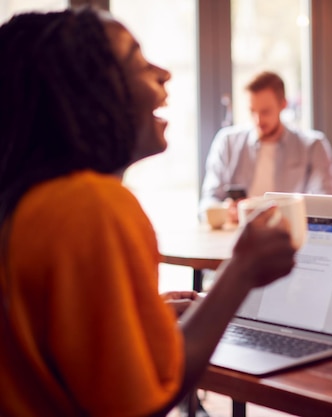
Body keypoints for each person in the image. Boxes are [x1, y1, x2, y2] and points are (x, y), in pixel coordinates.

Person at [0, 7, 296, 416]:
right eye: (137, 62)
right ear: (90, 90)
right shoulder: (94, 207)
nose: (164, 74)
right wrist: (241, 271)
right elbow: (140, 406)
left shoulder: (31, 202)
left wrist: (142, 315)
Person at [198, 71, 332, 222]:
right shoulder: (227, 142)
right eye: (252, 111)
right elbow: (207, 203)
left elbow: (325, 207)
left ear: (283, 104)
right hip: (236, 235)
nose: (258, 120)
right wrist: (226, 212)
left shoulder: (312, 146)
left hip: (288, 235)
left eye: (265, 112)